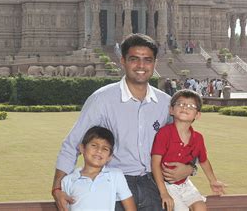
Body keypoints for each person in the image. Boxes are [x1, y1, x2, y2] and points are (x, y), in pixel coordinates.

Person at [53, 33, 195, 211]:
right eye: (134, 59)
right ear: (123, 61)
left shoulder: (166, 104)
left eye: (147, 60)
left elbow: (187, 141)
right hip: (114, 184)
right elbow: (71, 144)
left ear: (155, 63)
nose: (141, 66)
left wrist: (190, 168)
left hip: (154, 186)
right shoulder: (102, 99)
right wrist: (57, 188)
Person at [151, 89, 226, 211]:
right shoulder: (164, 133)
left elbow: (204, 161)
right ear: (171, 110)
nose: (185, 107)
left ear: (197, 115)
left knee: (201, 207)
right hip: (166, 185)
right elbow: (155, 163)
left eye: (191, 106)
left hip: (185, 183)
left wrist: (213, 181)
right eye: (180, 104)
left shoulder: (198, 138)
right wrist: (164, 193)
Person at [60, 126, 136, 211]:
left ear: (110, 156)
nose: (99, 151)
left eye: (105, 149)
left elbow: (130, 208)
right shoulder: (68, 180)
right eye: (94, 145)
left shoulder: (115, 176)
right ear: (82, 148)